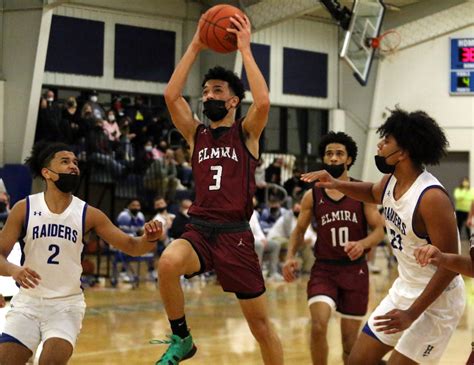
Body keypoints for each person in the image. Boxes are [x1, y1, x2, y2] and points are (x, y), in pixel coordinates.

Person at [157, 11, 283, 365]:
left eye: (217, 91)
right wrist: (196, 43)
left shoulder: (246, 132)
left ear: (232, 101)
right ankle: (182, 337)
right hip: (200, 229)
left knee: (261, 327)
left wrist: (245, 49)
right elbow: (171, 95)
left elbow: (263, 102)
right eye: (205, 91)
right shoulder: (196, 134)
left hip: (235, 236)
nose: (208, 95)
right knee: (168, 263)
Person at [301, 109, 466, 365]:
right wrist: (336, 183)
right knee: (357, 361)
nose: (379, 145)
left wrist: (412, 314)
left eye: (386, 140)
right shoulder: (391, 180)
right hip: (405, 288)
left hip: (438, 300)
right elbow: (371, 192)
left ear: (403, 152)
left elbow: (450, 269)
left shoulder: (432, 198)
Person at [0, 142, 163, 365]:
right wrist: (13, 270)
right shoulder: (24, 208)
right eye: (65, 162)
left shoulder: (88, 213)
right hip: (28, 303)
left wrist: (149, 239)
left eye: (75, 162)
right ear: (47, 173)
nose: (73, 166)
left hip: (66, 306)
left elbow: (132, 246)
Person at [283, 131, 385, 365]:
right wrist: (289, 257)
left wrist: (363, 244)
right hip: (324, 270)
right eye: (329, 154)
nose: (334, 158)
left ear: (349, 159)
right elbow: (298, 231)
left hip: (355, 272)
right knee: (318, 326)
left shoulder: (362, 192)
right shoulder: (313, 194)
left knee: (350, 345)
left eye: (340, 153)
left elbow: (379, 231)